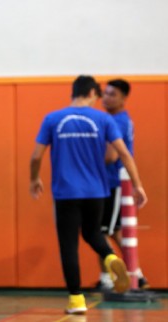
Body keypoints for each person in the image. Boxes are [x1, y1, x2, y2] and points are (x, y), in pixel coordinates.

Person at [29, 75, 147, 314]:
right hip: (97, 192)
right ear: (93, 92)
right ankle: (111, 258)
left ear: (73, 92)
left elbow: (36, 156)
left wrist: (34, 179)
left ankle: (76, 301)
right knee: (94, 233)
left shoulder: (53, 119)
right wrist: (137, 185)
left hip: (65, 193)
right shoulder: (104, 119)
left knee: (69, 245)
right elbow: (123, 154)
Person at [97, 79, 149, 290]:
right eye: (105, 93)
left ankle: (108, 279)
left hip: (112, 182)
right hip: (112, 182)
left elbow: (109, 155)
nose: (107, 97)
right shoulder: (117, 119)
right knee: (115, 231)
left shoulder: (116, 121)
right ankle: (136, 274)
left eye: (113, 94)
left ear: (123, 98)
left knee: (100, 231)